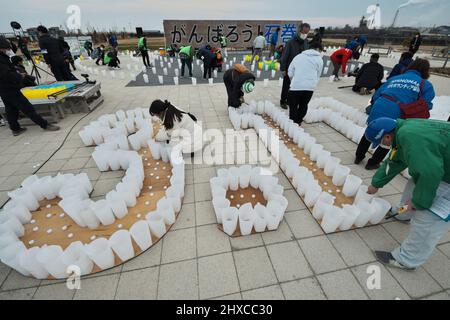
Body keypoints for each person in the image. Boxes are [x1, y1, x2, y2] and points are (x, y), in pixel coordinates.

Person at [363, 117, 450, 271]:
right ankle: (403, 214)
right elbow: (395, 161)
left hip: (443, 176)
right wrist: (376, 184)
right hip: (441, 167)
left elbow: (430, 173)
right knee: (414, 182)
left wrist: (418, 202)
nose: (383, 146)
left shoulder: (410, 137)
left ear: (388, 136)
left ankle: (407, 260)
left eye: (382, 142)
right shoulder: (404, 131)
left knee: (428, 219)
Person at [355, 58, 435, 170]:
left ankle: (358, 157)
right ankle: (372, 163)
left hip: (379, 106)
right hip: (398, 112)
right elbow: (426, 105)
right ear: (425, 71)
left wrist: (374, 106)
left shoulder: (395, 78)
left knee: (372, 129)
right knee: (388, 137)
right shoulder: (425, 84)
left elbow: (377, 94)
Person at [0, 36, 59, 136]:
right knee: (27, 108)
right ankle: (44, 125)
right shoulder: (0, 59)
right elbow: (6, 74)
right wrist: (19, 76)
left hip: (4, 88)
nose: (7, 50)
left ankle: (15, 129)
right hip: (9, 88)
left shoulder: (2, 57)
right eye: (5, 49)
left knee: (11, 109)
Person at [287, 42, 324, 125]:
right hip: (309, 87)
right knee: (303, 105)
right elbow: (318, 75)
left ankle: (293, 123)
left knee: (293, 105)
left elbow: (290, 71)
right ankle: (299, 121)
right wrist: (312, 83)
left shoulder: (298, 57)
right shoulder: (319, 59)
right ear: (318, 49)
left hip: (296, 86)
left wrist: (293, 80)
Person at [280, 23, 311, 109]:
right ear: (299, 31)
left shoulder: (306, 42)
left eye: (307, 33)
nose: (305, 35)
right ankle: (283, 101)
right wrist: (283, 69)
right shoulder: (290, 42)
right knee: (286, 86)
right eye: (303, 32)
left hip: (300, 69)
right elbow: (284, 56)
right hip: (290, 68)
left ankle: (290, 100)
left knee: (295, 86)